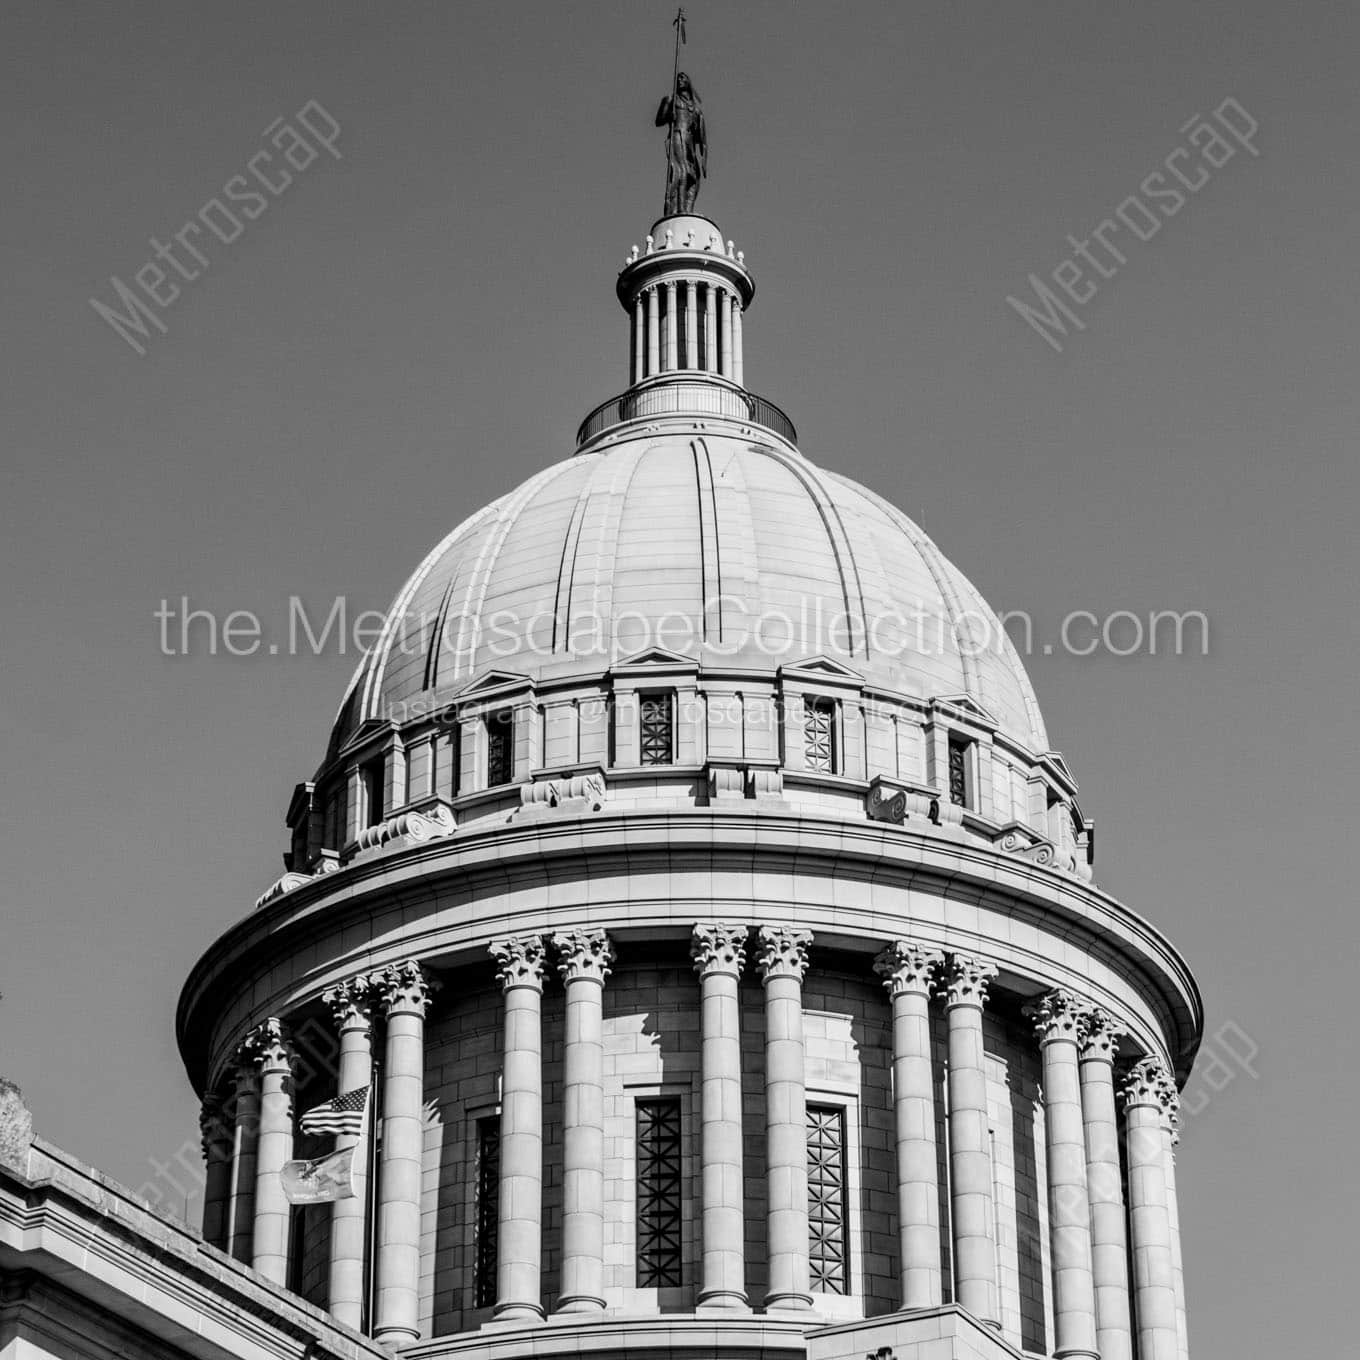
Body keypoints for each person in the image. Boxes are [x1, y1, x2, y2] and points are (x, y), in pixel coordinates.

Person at [655, 72, 706, 214]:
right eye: (678, 78)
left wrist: (704, 159)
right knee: (681, 171)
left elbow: (701, 137)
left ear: (689, 82)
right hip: (677, 136)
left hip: (689, 143)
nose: (679, 80)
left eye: (683, 78)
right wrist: (669, 115)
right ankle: (679, 208)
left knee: (694, 178)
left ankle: (688, 210)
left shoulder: (696, 109)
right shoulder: (671, 99)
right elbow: (658, 121)